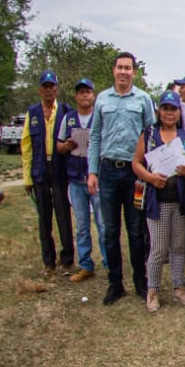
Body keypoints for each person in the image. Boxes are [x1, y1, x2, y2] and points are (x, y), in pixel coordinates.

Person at [88, 52, 156, 305]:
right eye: (120, 67)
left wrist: (149, 171)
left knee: (136, 230)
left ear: (134, 72)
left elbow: (152, 136)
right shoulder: (103, 99)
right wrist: (92, 171)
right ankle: (115, 284)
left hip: (134, 174)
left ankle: (141, 282)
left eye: (128, 68)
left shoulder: (143, 99)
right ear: (113, 70)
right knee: (109, 231)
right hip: (107, 173)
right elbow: (94, 137)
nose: (124, 72)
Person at [132, 90, 185, 312]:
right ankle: (153, 290)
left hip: (181, 200)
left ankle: (179, 287)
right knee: (158, 248)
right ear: (159, 111)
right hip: (157, 200)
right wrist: (149, 177)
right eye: (166, 109)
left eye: (173, 109)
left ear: (179, 112)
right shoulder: (150, 134)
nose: (169, 113)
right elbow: (136, 162)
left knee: (178, 246)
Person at [22, 70, 75, 275]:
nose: (48, 90)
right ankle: (48, 261)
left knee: (63, 214)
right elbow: (26, 146)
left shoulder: (64, 110)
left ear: (57, 89)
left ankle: (67, 259)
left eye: (52, 86)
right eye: (45, 86)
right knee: (44, 216)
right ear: (39, 90)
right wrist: (27, 177)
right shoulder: (32, 112)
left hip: (59, 169)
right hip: (40, 169)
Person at [59, 79, 104, 281]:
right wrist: (66, 146)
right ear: (76, 97)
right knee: (82, 225)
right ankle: (86, 265)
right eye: (81, 92)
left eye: (88, 92)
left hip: (97, 179)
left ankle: (109, 263)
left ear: (93, 95)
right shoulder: (68, 119)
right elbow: (58, 146)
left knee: (103, 224)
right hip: (76, 179)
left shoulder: (100, 117)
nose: (84, 95)